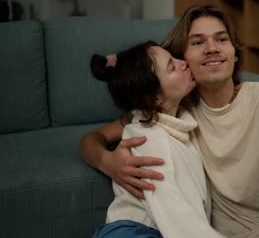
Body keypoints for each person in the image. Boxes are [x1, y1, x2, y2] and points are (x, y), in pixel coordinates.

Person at [80, 4, 259, 238]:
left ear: (234, 52)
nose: (212, 48)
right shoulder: (169, 115)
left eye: (222, 39)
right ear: (184, 58)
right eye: (197, 42)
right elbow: (91, 140)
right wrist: (108, 162)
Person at [89, 41, 224, 238]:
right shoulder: (146, 138)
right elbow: (173, 210)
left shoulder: (180, 126)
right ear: (153, 99)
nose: (183, 63)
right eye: (172, 66)